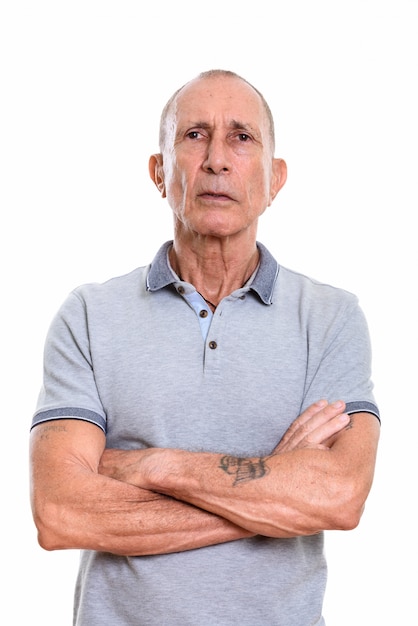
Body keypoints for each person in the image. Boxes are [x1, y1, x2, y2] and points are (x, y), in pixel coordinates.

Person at [30, 69, 380, 626]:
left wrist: (150, 465)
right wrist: (276, 493)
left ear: (275, 179)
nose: (217, 159)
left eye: (242, 137)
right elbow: (59, 512)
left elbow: (339, 498)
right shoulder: (90, 315)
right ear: (159, 171)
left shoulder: (331, 317)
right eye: (194, 135)